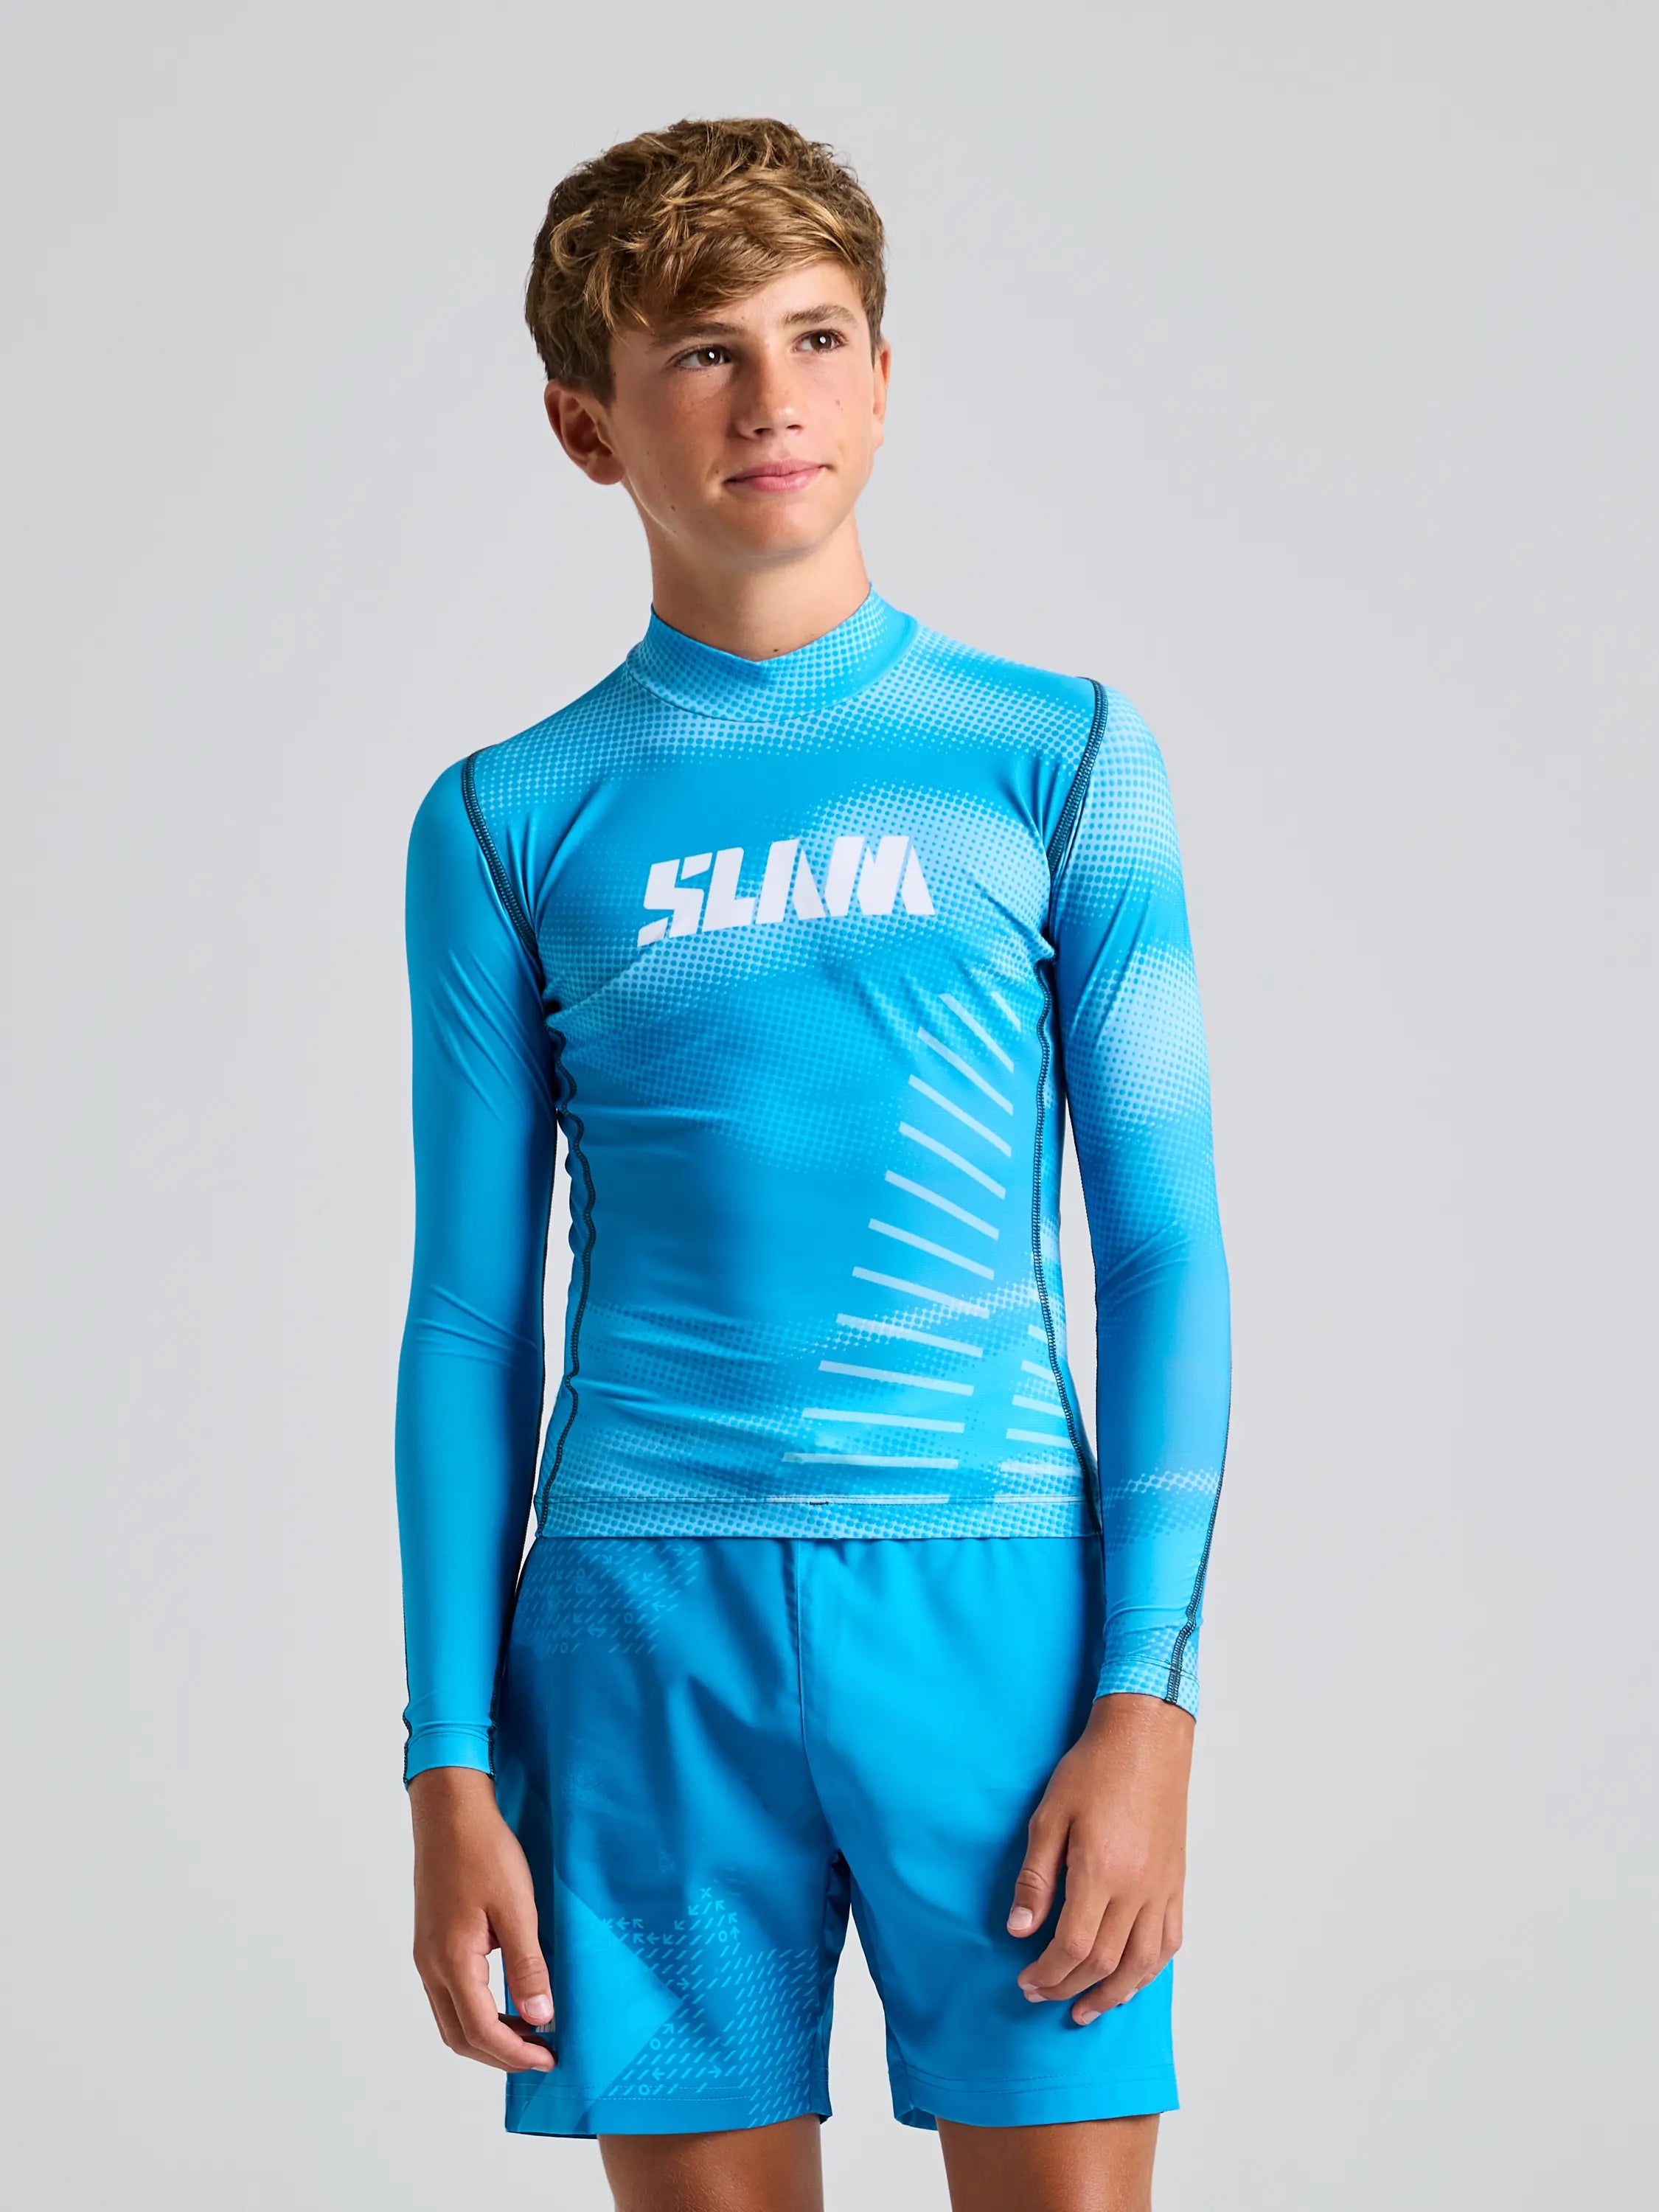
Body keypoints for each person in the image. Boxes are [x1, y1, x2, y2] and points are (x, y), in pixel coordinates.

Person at [394, 115, 1231, 2212]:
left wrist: (1146, 1703)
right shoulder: (507, 818)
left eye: (816, 334)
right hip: (637, 1631)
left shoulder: (1055, 760)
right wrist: (444, 1761)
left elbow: (1161, 1252)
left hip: (990, 1609)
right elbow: (471, 1315)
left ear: (880, 376)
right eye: (700, 351)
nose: (770, 396)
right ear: (586, 426)